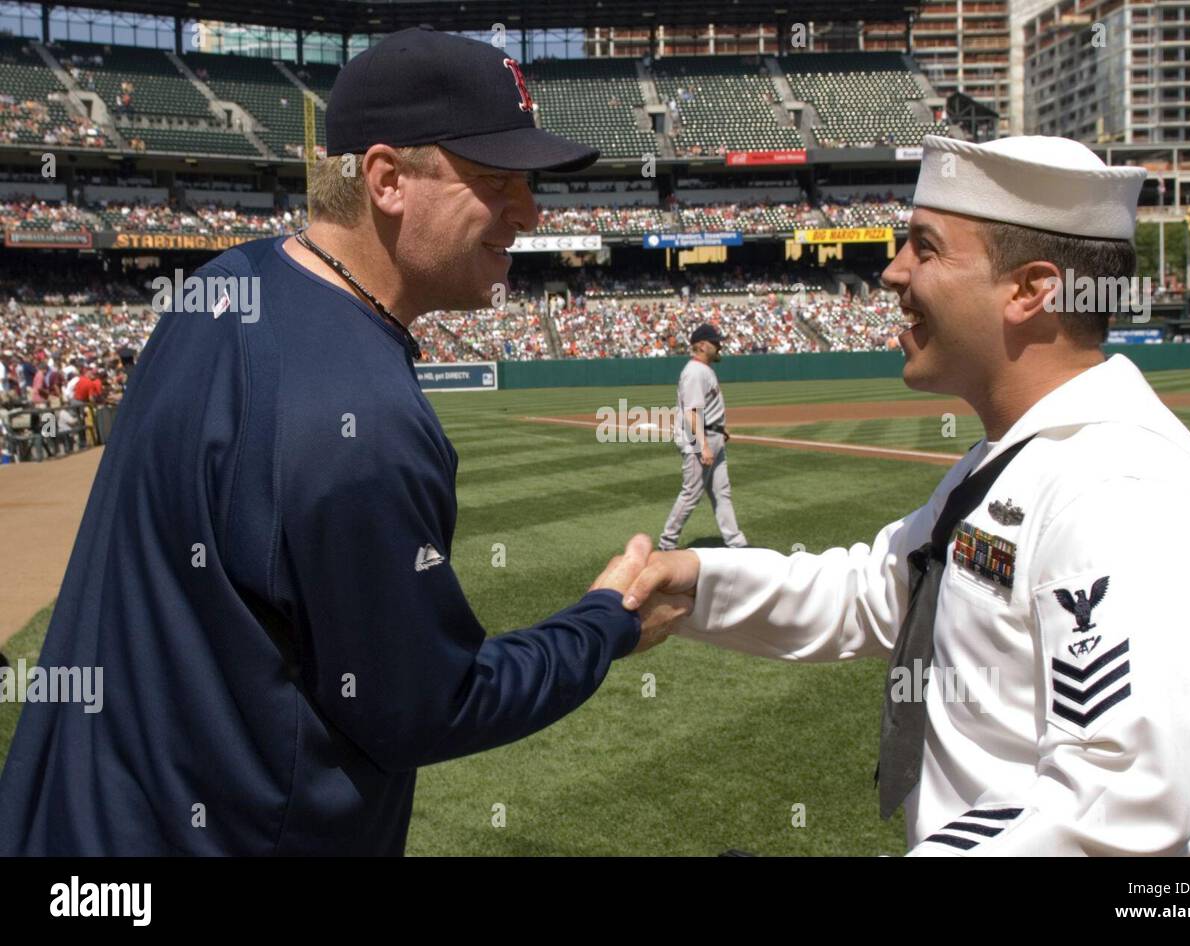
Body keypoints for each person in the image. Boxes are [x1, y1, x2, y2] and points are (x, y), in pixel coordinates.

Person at [0, 28, 682, 856]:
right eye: (497, 178)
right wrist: (603, 624)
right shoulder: (363, 414)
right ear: (387, 180)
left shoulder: (224, 282)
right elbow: (425, 707)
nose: (530, 211)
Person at [622, 135, 1190, 856]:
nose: (894, 273)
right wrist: (693, 587)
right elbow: (877, 593)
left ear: (1030, 290)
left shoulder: (1121, 493)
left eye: (924, 249)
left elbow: (1116, 815)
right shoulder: (1014, 458)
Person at [658, 323, 748, 552]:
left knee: (722, 492)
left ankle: (736, 543)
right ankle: (666, 544)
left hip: (711, 435)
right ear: (701, 345)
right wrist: (703, 446)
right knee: (691, 494)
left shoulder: (704, 370)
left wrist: (719, 429)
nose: (719, 346)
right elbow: (692, 412)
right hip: (700, 439)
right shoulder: (695, 372)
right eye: (715, 342)